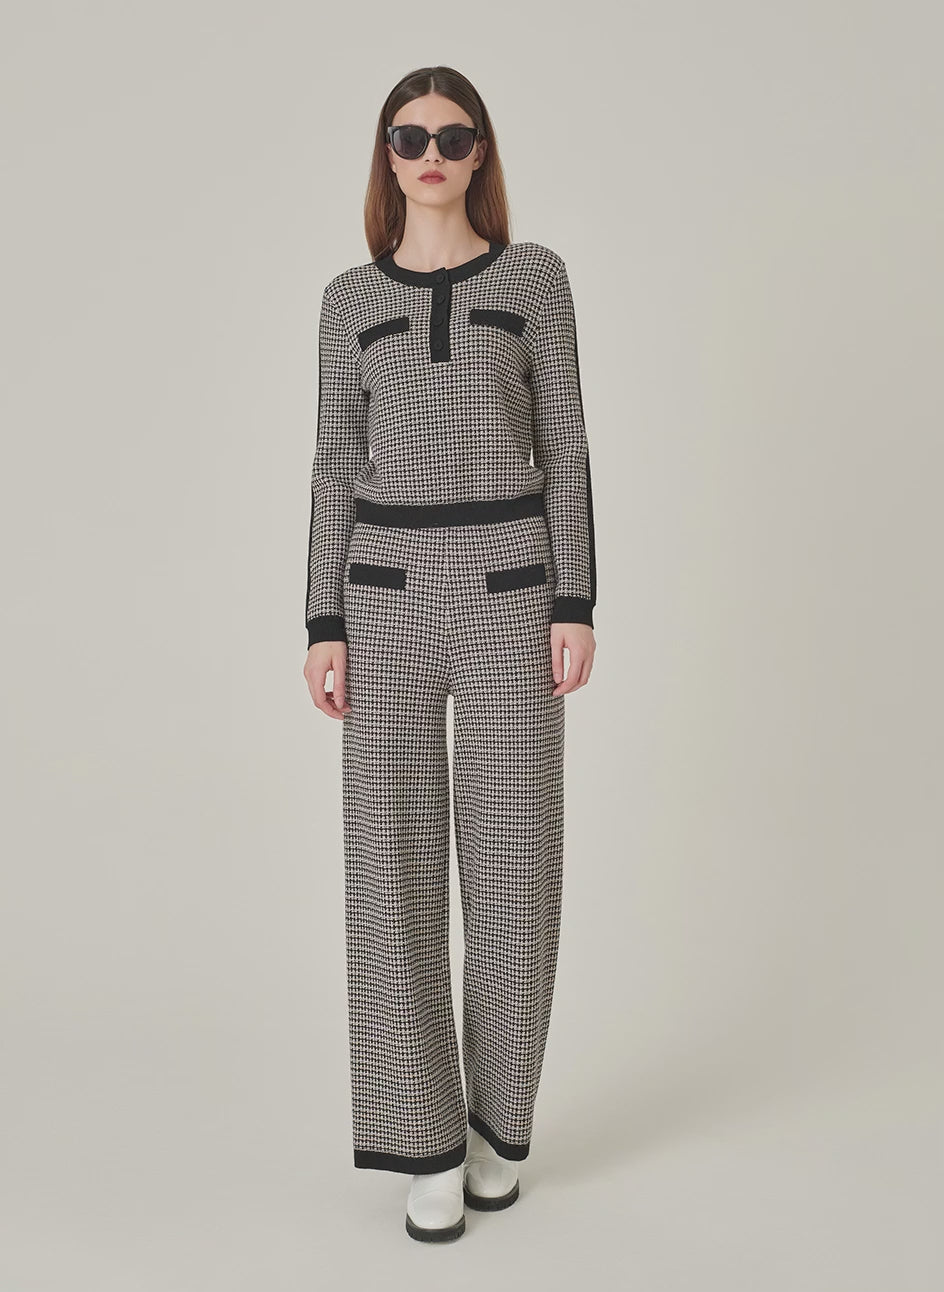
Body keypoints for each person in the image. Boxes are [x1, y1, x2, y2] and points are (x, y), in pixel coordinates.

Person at [302, 65, 597, 1243]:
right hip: (382, 598)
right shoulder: (346, 299)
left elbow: (565, 443)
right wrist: (322, 620)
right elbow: (334, 461)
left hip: (511, 592)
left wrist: (574, 599)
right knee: (390, 867)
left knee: (515, 862)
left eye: (453, 135)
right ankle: (421, 1136)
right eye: (409, 135)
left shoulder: (535, 280)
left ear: (481, 152)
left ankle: (496, 1128)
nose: (431, 153)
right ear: (387, 153)